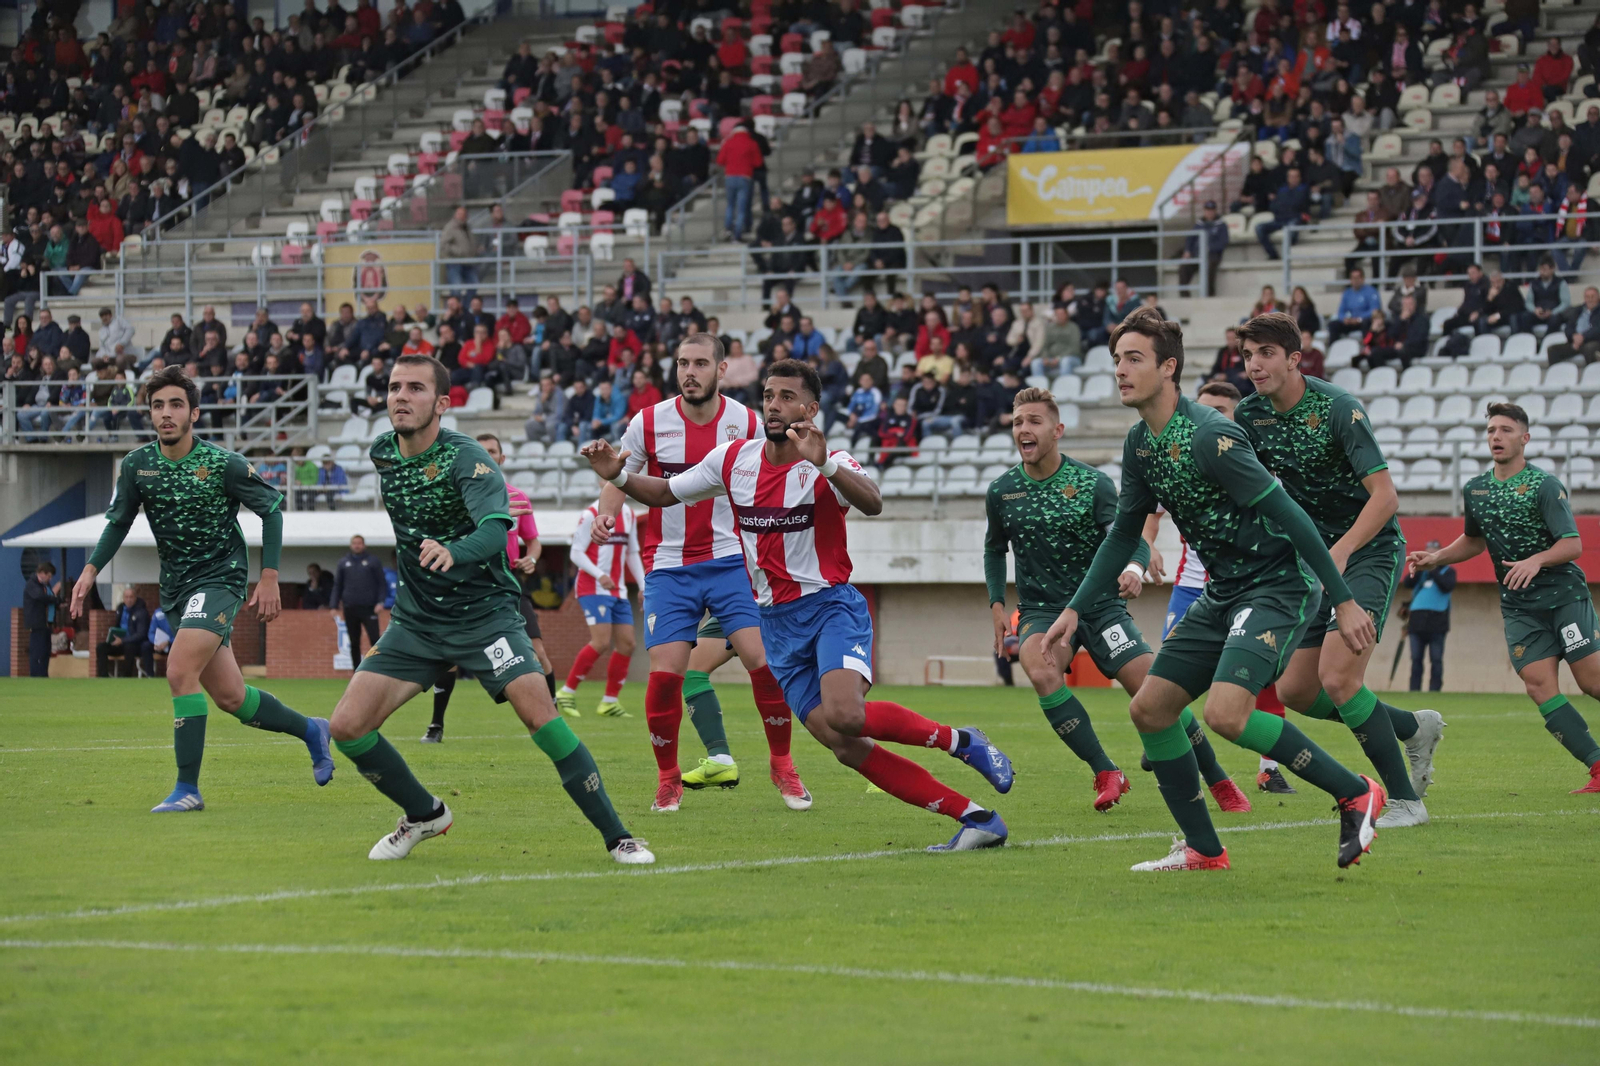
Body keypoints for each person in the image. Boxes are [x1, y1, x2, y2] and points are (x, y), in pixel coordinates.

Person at [584, 359, 1016, 852]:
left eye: (788, 397)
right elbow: (662, 493)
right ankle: (977, 818)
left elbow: (873, 501)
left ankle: (962, 741)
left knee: (847, 714)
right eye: (769, 395)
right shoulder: (732, 460)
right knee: (845, 747)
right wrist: (618, 475)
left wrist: (826, 462)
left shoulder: (830, 460)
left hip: (831, 607)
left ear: (811, 409)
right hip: (777, 625)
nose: (774, 404)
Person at [1048, 308, 1387, 871]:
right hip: (1227, 589)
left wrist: (1344, 598)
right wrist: (1072, 610)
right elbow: (1122, 537)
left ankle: (1356, 792)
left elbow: (1291, 514)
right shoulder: (1140, 445)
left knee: (1227, 715)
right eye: (1116, 361)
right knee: (1151, 710)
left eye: (1134, 359)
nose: (1120, 371)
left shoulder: (1211, 435)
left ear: (1169, 367)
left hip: (1278, 582)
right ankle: (1205, 850)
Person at [324, 353, 652, 864]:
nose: (400, 397)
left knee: (540, 716)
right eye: (393, 388)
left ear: (442, 402)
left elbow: (496, 531)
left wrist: (453, 550)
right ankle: (424, 814)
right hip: (416, 621)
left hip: (485, 617)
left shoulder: (469, 459)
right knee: (346, 726)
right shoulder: (382, 452)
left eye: (414, 388)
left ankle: (619, 836)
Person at [71, 367, 333, 812]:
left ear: (194, 413)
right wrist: (91, 569)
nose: (166, 414)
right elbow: (118, 522)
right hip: (175, 588)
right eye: (158, 406)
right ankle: (312, 730)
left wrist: (269, 576)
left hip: (221, 578)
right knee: (233, 697)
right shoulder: (137, 466)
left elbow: (271, 509)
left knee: (177, 671)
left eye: (176, 405)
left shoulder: (222, 463)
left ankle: (187, 789)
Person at [984, 387, 1254, 815]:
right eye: (1018, 422)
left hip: (1101, 606)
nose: (1024, 429)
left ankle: (1218, 778)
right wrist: (998, 605)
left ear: (1058, 430)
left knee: (1156, 693)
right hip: (1042, 610)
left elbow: (1129, 538)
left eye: (1034, 421)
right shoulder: (1002, 491)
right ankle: (1106, 770)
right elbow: (994, 549)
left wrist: (1133, 567)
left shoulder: (1093, 483)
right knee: (1040, 668)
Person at [585, 333, 811, 810]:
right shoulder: (648, 422)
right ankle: (668, 779)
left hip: (732, 559)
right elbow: (618, 476)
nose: (690, 371)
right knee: (666, 675)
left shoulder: (748, 422)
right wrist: (607, 514)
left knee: (764, 663)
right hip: (668, 564)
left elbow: (776, 474)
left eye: (701, 363)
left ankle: (783, 766)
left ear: (721, 370)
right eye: (683, 362)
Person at [1235, 313, 1444, 828]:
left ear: (1293, 358)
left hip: (1368, 549)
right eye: (1247, 355)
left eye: (1265, 353)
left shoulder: (1338, 408)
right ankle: (1412, 728)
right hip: (1313, 559)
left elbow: (1386, 498)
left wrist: (1342, 550)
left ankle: (1405, 802)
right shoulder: (1249, 415)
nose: (1254, 365)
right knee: (1296, 692)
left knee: (1339, 676)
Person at [1409, 402, 1600, 795]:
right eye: (1492, 429)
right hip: (1519, 607)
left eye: (1506, 430)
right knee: (1538, 685)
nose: (1496, 436)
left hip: (1563, 597)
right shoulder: (1475, 489)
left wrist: (1536, 560)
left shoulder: (1545, 485)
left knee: (1591, 680)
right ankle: (1598, 768)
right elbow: (1474, 540)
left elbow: (1572, 544)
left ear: (1524, 438)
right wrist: (1437, 558)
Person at [1141, 381, 1291, 795]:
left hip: (1251, 591)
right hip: (1193, 590)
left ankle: (1269, 770)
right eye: (1203, 409)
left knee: (1263, 681)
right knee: (1169, 672)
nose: (1209, 418)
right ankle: (1168, 734)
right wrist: (1147, 547)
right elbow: (1148, 518)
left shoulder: (1252, 467)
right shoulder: (1175, 462)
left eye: (1221, 410)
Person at [425, 433, 556, 742]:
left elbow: (533, 541)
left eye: (492, 451)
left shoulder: (518, 496)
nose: (486, 455)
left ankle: (553, 721)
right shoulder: (458, 497)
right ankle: (435, 725)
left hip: (509, 583)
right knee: (450, 658)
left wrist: (531, 559)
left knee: (538, 652)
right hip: (470, 582)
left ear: (501, 458)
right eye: (480, 451)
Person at [557, 497, 645, 717]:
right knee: (601, 642)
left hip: (618, 589)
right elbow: (575, 553)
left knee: (627, 643)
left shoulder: (629, 514)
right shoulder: (591, 513)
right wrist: (599, 575)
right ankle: (566, 692)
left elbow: (632, 552)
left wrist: (644, 585)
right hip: (593, 587)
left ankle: (609, 701)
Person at [1404, 541, 1455, 692]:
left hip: (1437, 620)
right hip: (1417, 620)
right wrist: (1420, 569)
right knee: (1416, 659)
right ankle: (1414, 690)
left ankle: (1435, 690)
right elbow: (1408, 583)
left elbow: (1447, 586)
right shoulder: (1421, 574)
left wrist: (1433, 568)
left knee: (1436, 659)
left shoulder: (1448, 571)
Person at [330, 533, 387, 659]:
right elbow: (337, 585)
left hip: (369, 607)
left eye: (359, 543)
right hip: (350, 607)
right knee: (354, 642)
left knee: (374, 640)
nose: (357, 546)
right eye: (354, 543)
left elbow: (382, 584)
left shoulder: (373, 561)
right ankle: (356, 672)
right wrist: (334, 605)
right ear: (351, 545)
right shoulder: (344, 563)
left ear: (364, 545)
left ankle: (377, 670)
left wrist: (380, 602)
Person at [98, 586, 151, 677]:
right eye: (126, 597)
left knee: (129, 647)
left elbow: (141, 634)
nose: (129, 600)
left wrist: (123, 640)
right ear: (123, 598)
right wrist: (114, 636)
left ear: (135, 598)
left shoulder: (141, 612)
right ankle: (103, 676)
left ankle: (126, 676)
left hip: (135, 644)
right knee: (101, 647)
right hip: (119, 642)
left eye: (131, 597)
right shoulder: (120, 609)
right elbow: (117, 625)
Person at [1177, 200, 1228, 297]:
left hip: (1213, 254)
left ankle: (1209, 294)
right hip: (1197, 254)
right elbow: (1190, 238)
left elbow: (1223, 242)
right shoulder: (1199, 224)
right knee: (1184, 267)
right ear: (1204, 211)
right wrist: (1187, 250)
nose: (1209, 212)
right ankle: (1184, 296)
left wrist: (1209, 248)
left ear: (1215, 211)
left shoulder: (1221, 225)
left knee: (1209, 266)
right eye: (1207, 210)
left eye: (1212, 210)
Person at [23, 560, 59, 677]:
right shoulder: (31, 584)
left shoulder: (45, 585)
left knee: (45, 651)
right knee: (36, 651)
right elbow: (41, 597)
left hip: (46, 624)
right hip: (37, 623)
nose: (49, 579)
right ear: (42, 573)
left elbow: (50, 598)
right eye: (48, 576)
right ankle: (35, 675)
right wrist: (55, 598)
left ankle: (43, 675)